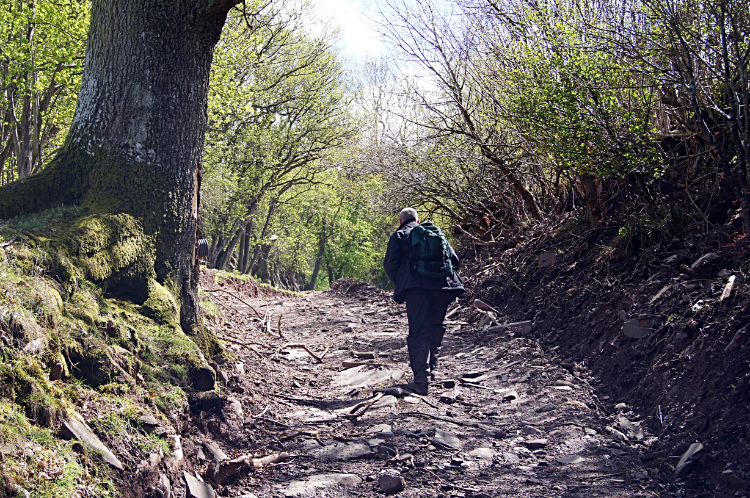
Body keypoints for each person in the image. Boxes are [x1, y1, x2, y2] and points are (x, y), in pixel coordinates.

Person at [383, 207, 464, 395]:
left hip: (416, 289)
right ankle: (432, 370)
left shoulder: (400, 234)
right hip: (443, 287)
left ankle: (421, 378)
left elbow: (390, 264)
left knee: (418, 331)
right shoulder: (435, 233)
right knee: (436, 326)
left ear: (401, 221)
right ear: (418, 221)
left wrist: (403, 281)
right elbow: (454, 260)